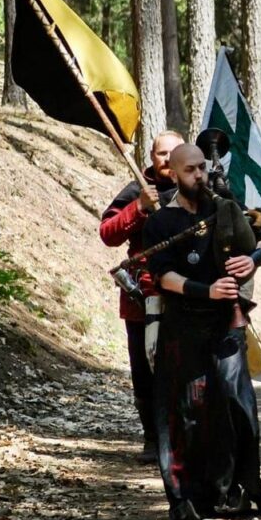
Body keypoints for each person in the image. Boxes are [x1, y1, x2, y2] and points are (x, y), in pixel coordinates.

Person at [142, 144, 261, 520]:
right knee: (185, 414)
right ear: (172, 173)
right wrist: (206, 290)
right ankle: (186, 497)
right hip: (183, 326)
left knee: (238, 408)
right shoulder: (160, 223)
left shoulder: (224, 207)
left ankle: (237, 491)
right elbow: (162, 275)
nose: (199, 175)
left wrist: (250, 260)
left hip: (226, 325)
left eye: (202, 167)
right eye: (191, 170)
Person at [99, 130, 184, 464]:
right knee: (144, 372)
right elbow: (108, 233)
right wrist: (138, 208)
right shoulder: (137, 189)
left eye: (172, 153)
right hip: (142, 297)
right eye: (161, 154)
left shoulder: (196, 188)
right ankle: (152, 437)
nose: (166, 160)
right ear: (152, 156)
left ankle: (183, 436)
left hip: (186, 296)